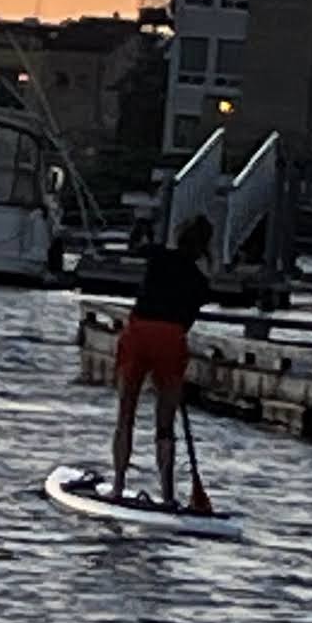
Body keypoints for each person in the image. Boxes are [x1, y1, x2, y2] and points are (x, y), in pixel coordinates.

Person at [109, 215, 212, 506]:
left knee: (125, 415)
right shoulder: (201, 282)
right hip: (171, 338)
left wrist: (141, 226)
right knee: (165, 424)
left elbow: (134, 246)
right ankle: (167, 495)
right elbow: (185, 324)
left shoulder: (157, 256)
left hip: (140, 332)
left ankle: (118, 486)